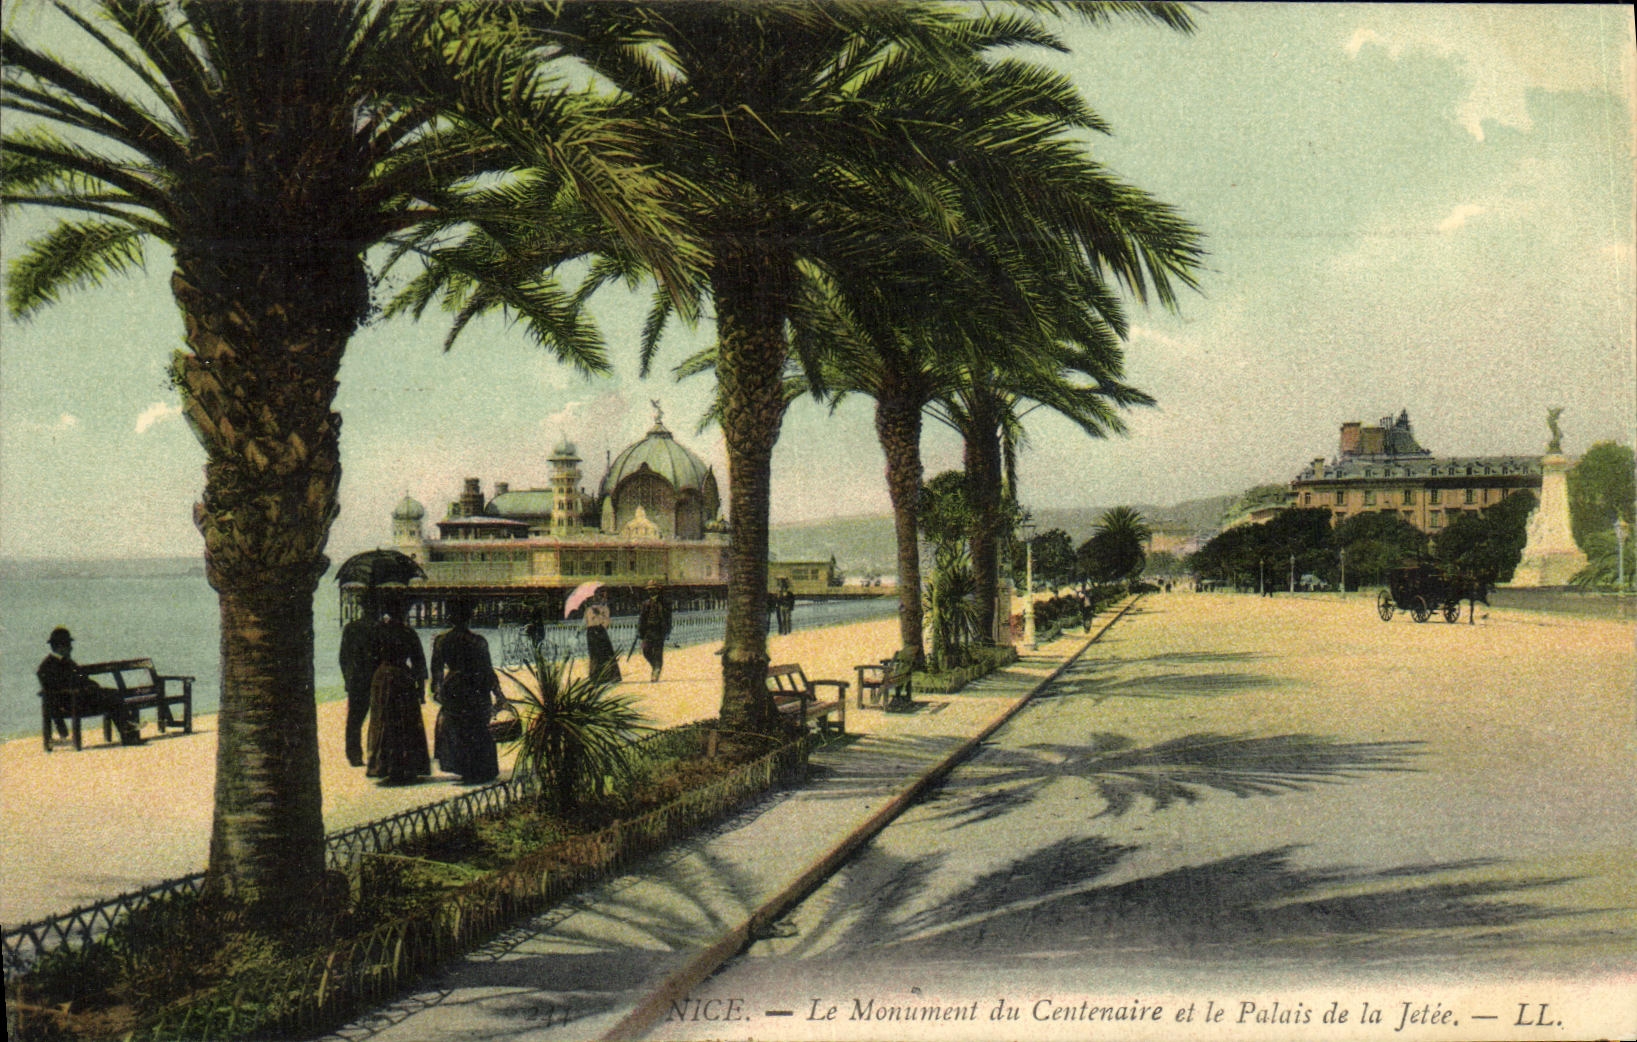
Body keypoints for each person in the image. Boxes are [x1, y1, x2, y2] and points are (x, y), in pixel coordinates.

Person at [431, 599, 506, 783]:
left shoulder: (441, 641)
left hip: (454, 687)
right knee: (478, 727)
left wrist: (438, 689)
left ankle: (463, 767)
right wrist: (498, 694)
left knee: (458, 729)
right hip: (476, 686)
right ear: (469, 618)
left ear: (450, 618)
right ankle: (480, 768)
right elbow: (488, 670)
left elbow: (437, 671)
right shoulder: (479, 641)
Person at [36, 627, 144, 745]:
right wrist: (81, 690)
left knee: (113, 695)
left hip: (81, 699)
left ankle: (129, 733)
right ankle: (128, 732)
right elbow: (54, 691)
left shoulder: (68, 662)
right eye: (68, 644)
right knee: (112, 698)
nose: (71, 648)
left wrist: (92, 686)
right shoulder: (47, 666)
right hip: (70, 704)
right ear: (60, 646)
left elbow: (83, 678)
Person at [365, 594, 430, 785]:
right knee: (406, 721)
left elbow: (369, 660)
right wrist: (421, 690)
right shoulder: (408, 633)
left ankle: (383, 766)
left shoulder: (377, 631)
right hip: (403, 677)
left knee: (383, 720)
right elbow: (419, 663)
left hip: (382, 678)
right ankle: (407, 766)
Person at [338, 591, 381, 767]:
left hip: (357, 679)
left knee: (355, 720)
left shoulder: (350, 628)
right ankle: (377, 755)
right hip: (377, 678)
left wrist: (347, 679)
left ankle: (354, 755)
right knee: (380, 718)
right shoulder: (380, 629)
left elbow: (343, 657)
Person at [637, 582, 673, 683]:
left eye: (653, 589)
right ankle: (655, 666)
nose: (651, 591)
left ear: (657, 590)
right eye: (649, 589)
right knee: (645, 650)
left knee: (658, 652)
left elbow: (668, 618)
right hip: (648, 630)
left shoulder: (664, 603)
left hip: (659, 630)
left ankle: (656, 672)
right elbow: (642, 618)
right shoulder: (646, 603)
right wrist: (639, 631)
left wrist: (667, 630)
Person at [584, 589, 620, 683]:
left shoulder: (605, 609)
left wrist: (600, 616)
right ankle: (596, 678)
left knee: (606, 654)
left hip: (601, 631)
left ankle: (611, 677)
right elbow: (586, 622)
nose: (601, 599)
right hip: (591, 632)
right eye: (598, 597)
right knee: (595, 655)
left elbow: (607, 623)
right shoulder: (588, 610)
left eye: (602, 597)